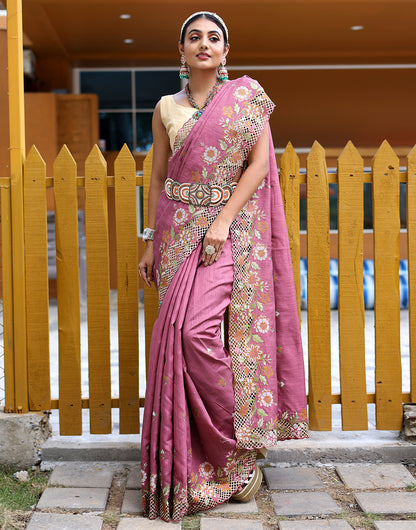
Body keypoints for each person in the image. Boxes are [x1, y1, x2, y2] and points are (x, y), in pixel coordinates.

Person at [139, 11, 308, 521]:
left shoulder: (246, 101)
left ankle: (235, 452)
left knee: (196, 335)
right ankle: (200, 458)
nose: (205, 44)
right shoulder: (166, 106)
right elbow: (159, 174)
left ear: (226, 52)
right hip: (174, 233)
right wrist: (150, 240)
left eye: (214, 38)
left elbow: (260, 163)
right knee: (179, 345)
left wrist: (220, 222)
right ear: (182, 50)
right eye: (195, 38)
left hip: (223, 234)